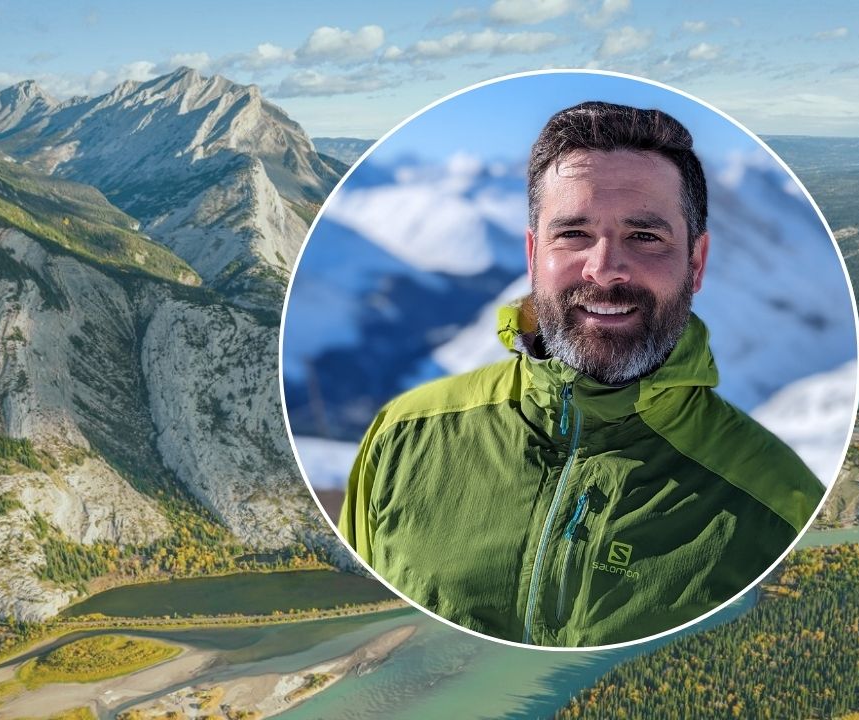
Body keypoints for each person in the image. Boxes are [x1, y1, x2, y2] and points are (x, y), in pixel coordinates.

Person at [338, 101, 824, 647]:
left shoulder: (779, 505)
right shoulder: (404, 436)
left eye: (645, 236)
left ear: (697, 261)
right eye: (572, 234)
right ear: (532, 254)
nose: (604, 268)